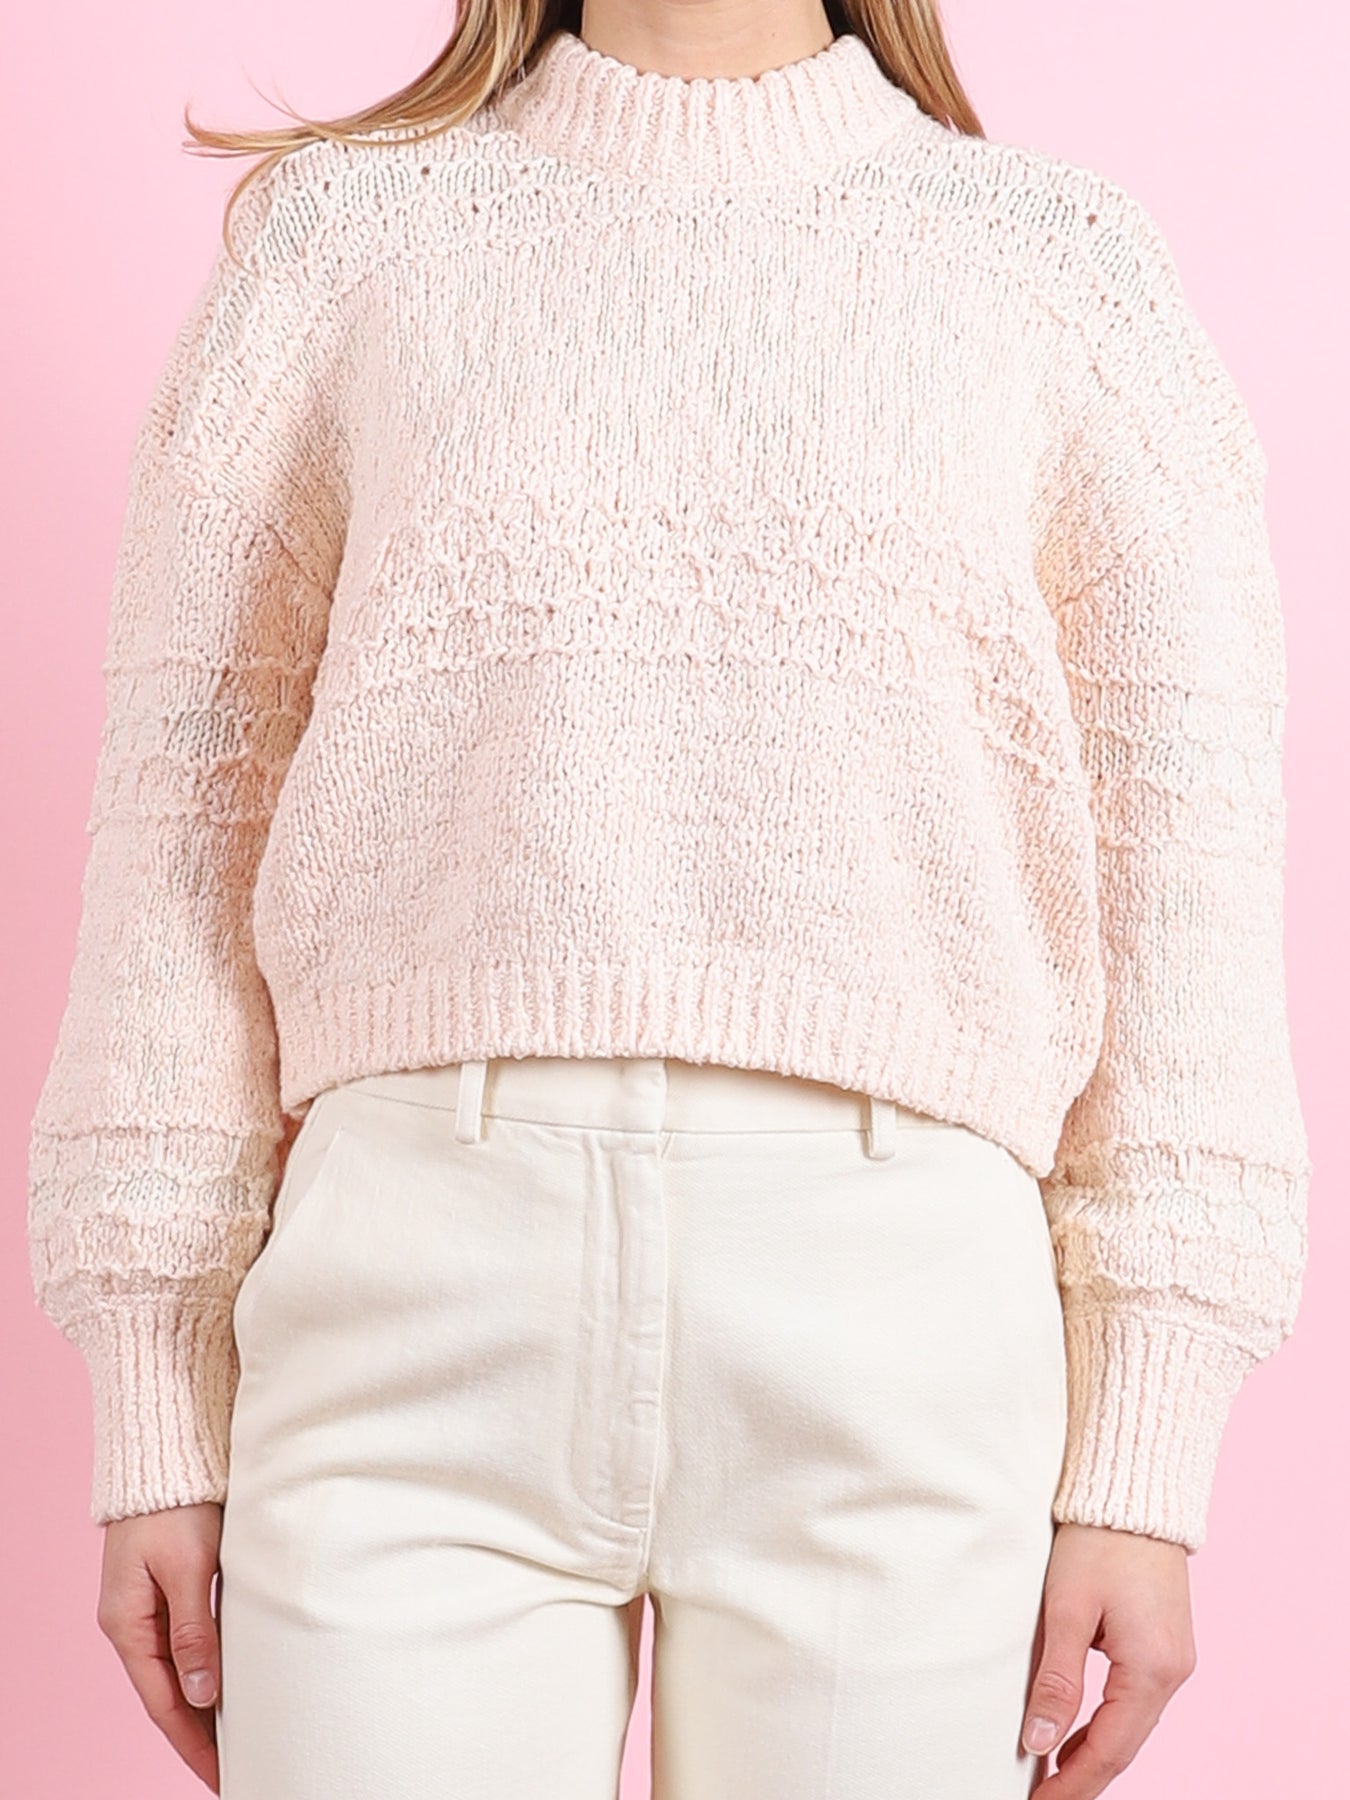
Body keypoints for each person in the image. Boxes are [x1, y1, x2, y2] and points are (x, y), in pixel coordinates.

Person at [27, 1, 1312, 1796]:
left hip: (900, 1327)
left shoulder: (1055, 269)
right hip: (408, 1298)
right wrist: (154, 1394)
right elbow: (182, 815)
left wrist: (1146, 1459)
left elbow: (1183, 867)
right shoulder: (344, 244)